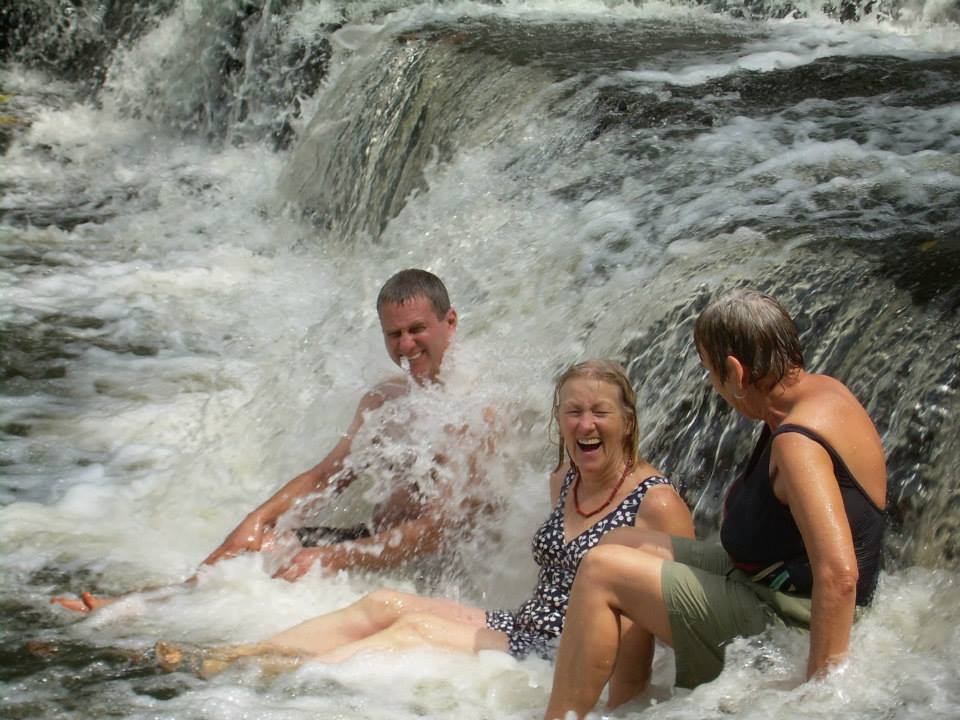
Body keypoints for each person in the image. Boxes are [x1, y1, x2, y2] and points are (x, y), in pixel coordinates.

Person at [154, 359, 695, 677]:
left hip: (567, 657)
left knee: (414, 628)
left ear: (627, 419)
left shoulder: (656, 501)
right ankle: (236, 655)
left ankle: (278, 677)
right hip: (526, 626)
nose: (585, 424)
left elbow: (682, 614)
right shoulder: (564, 481)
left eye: (599, 412)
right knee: (382, 603)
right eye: (573, 411)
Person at [543, 290, 888, 719]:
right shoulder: (823, 392)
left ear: (736, 371)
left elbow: (839, 575)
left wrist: (816, 697)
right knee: (621, 541)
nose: (712, 385)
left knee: (600, 572)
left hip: (789, 619)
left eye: (710, 371)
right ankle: (625, 704)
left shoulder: (798, 443)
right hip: (770, 585)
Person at [52, 268, 469, 612]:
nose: (406, 345)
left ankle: (143, 610)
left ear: (449, 323)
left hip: (438, 573)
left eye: (417, 330)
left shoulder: (475, 411)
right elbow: (326, 477)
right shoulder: (386, 399)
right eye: (394, 334)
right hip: (377, 545)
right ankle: (144, 606)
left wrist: (333, 556)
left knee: (287, 565)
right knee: (263, 543)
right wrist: (258, 519)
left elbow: (442, 529)